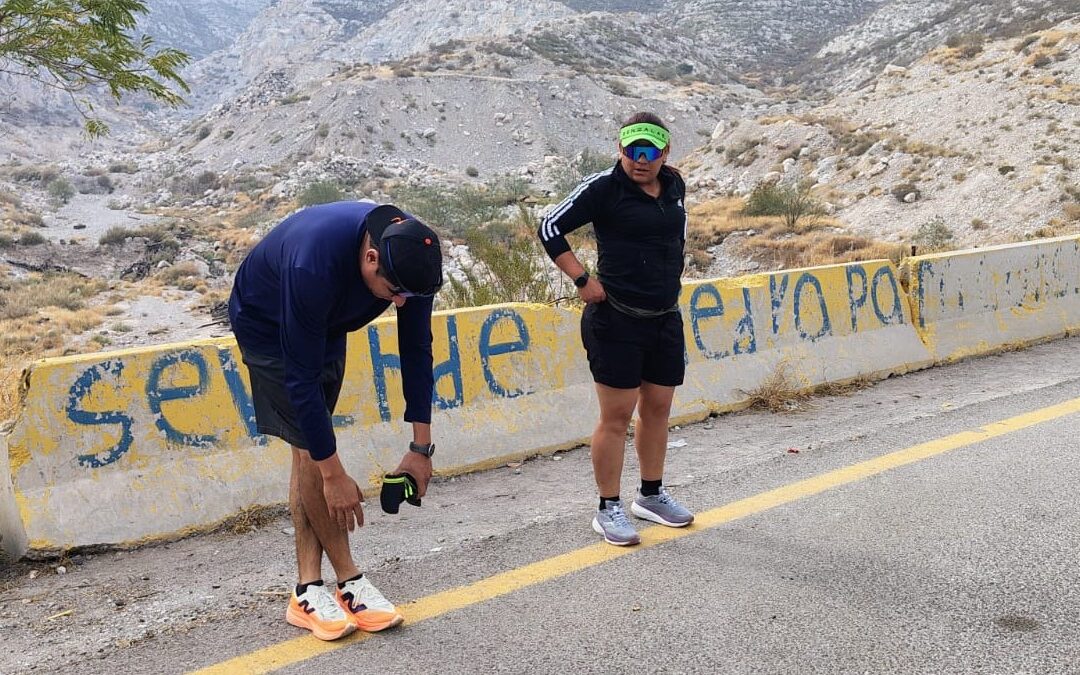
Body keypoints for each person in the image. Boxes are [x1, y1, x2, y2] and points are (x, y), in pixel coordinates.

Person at [228, 201, 443, 640]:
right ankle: (350, 580)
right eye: (394, 294)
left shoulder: (412, 257)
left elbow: (417, 349)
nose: (401, 302)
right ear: (370, 258)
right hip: (268, 324)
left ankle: (307, 591)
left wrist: (420, 448)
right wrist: (334, 474)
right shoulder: (314, 264)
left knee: (307, 448)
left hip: (327, 324)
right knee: (312, 450)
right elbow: (301, 381)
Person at [537, 112, 694, 546]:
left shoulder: (675, 186)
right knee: (617, 416)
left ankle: (651, 495)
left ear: (665, 152)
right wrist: (582, 280)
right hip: (616, 319)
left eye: (649, 151)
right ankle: (608, 507)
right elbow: (549, 227)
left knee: (658, 408)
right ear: (620, 149)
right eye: (631, 149)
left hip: (664, 317)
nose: (639, 160)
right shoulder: (603, 187)